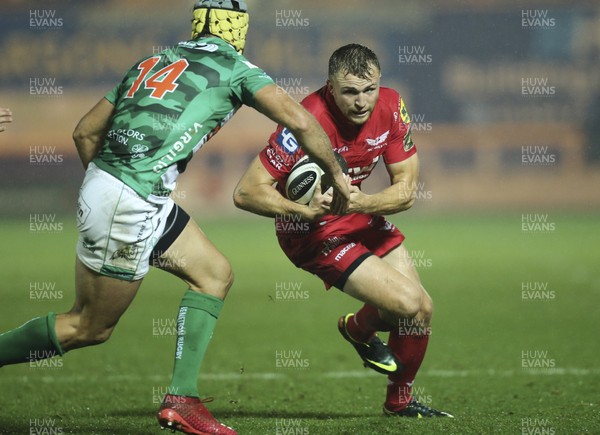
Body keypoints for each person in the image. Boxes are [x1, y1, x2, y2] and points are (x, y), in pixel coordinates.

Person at [0, 2, 349, 435]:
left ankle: (181, 399)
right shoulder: (235, 67)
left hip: (131, 194)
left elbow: (84, 132)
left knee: (213, 274)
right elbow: (300, 119)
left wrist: (108, 188)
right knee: (89, 327)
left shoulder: (153, 59)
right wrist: (337, 173)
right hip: (129, 203)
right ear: (237, 28)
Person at [234, 43, 453, 418]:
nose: (361, 102)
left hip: (357, 211)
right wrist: (301, 211)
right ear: (330, 87)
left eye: (369, 90)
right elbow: (246, 192)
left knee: (422, 311)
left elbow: (406, 190)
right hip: (311, 232)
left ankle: (396, 401)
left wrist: (361, 204)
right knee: (406, 304)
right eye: (350, 91)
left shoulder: (391, 105)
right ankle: (359, 329)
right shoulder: (304, 121)